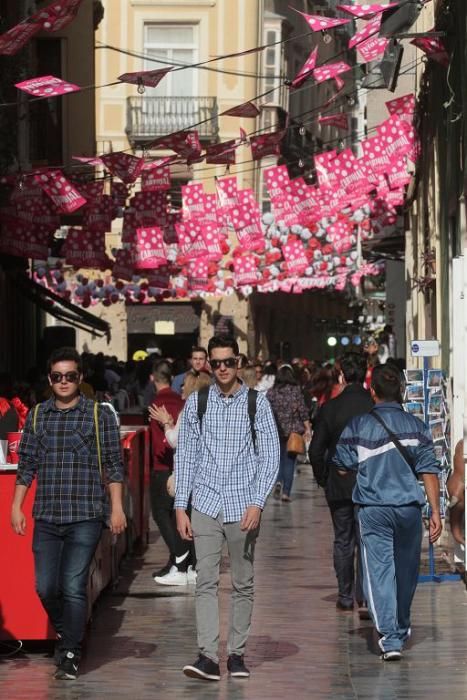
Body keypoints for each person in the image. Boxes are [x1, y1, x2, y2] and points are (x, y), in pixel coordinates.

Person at [11, 347, 126, 680]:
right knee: (46, 587)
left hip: (86, 514)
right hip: (46, 514)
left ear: (80, 378)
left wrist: (116, 507)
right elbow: (27, 465)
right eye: (58, 376)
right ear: (50, 379)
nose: (64, 382)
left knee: (73, 585)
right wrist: (16, 505)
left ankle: (71, 651)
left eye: (70, 376)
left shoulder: (97, 415)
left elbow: (114, 465)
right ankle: (71, 633)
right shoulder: (36, 415)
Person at [174, 335, 280, 681]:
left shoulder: (257, 403)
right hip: (204, 502)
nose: (221, 368)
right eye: (215, 362)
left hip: (243, 504)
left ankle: (236, 654)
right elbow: (186, 456)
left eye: (228, 362)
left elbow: (270, 456)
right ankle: (207, 655)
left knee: (242, 581)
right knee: (205, 580)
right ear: (207, 364)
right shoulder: (197, 403)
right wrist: (181, 506)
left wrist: (258, 501)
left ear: (239, 362)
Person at [333, 363, 442, 661]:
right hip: (408, 509)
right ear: (402, 391)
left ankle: (391, 639)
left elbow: (342, 465)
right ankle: (401, 624)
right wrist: (435, 511)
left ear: (373, 391)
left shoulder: (358, 426)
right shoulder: (417, 427)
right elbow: (429, 470)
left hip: (374, 510)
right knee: (407, 572)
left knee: (379, 572)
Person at [309, 353, 373, 616]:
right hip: (371, 483)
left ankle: (345, 595)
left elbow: (315, 450)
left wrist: (324, 477)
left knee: (343, 539)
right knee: (367, 540)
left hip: (339, 482)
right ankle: (365, 596)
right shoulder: (374, 406)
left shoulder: (331, 408)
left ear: (342, 376)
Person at [148, 359, 189, 585]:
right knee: (178, 515)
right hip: (181, 465)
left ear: (152, 378)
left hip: (163, 466)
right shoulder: (180, 401)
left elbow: (162, 440)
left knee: (161, 513)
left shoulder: (156, 403)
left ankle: (179, 557)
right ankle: (178, 559)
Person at [266, 365, 311, 502]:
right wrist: (307, 427)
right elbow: (302, 410)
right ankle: (286, 493)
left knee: (279, 460)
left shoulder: (271, 392)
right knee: (290, 461)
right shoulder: (296, 391)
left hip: (275, 429)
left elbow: (266, 410)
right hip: (293, 430)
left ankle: (278, 481)